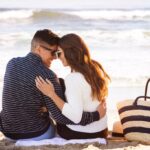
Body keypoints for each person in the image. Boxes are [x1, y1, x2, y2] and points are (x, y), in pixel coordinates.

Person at [0, 29, 103, 140]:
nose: (55, 57)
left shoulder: (12, 63)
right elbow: (62, 117)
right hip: (36, 134)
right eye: (53, 52)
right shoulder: (48, 75)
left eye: (57, 53)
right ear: (38, 49)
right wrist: (96, 115)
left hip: (7, 132)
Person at [35, 33, 110, 139]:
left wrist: (51, 94)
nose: (57, 57)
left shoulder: (73, 78)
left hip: (83, 133)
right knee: (61, 83)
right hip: (102, 131)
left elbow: (75, 117)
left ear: (70, 52)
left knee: (59, 87)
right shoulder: (95, 68)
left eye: (59, 53)